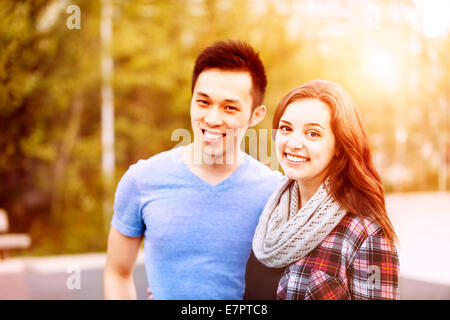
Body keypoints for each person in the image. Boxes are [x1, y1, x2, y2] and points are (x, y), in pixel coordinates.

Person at [104, 40, 282, 300]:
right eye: (203, 102)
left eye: (229, 107)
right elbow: (117, 273)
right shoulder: (141, 180)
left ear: (256, 115)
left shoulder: (275, 192)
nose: (211, 119)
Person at [244, 79, 399, 300]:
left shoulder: (365, 233)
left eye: (313, 133)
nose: (293, 143)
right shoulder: (269, 212)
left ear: (339, 146)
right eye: (286, 129)